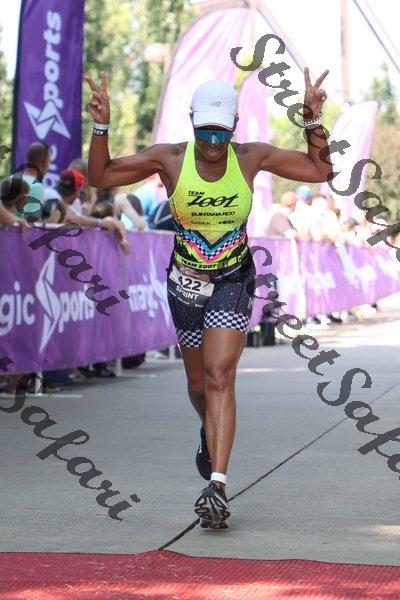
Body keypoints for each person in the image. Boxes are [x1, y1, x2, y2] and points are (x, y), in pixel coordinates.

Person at [85, 68, 331, 529]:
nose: (214, 142)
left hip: (234, 278)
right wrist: (102, 127)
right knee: (198, 385)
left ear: (235, 126)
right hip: (185, 281)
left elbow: (320, 170)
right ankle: (209, 428)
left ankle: (217, 484)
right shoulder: (169, 158)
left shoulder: (250, 157)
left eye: (222, 132)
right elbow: (101, 174)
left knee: (220, 376)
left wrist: (313, 121)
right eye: (206, 132)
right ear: (193, 123)